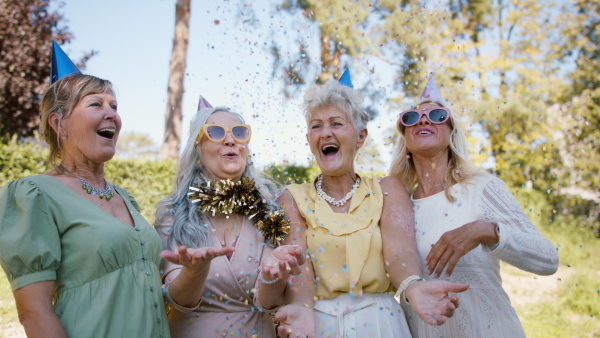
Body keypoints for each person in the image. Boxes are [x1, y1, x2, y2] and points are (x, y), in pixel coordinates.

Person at [270, 70, 470, 338]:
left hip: (382, 323)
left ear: (361, 136)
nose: (326, 132)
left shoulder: (387, 190)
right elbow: (300, 267)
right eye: (316, 126)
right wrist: (301, 308)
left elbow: (400, 252)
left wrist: (413, 286)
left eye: (337, 123)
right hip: (318, 325)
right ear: (309, 141)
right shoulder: (292, 198)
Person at [0, 42, 170, 337]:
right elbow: (33, 312)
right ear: (59, 122)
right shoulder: (35, 194)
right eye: (95, 104)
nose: (112, 115)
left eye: (114, 106)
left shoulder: (125, 197)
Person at [389, 74, 559, 337]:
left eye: (437, 115)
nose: (423, 119)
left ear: (452, 133)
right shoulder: (396, 206)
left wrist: (486, 231)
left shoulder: (481, 188)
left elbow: (548, 259)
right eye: (410, 117)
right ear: (405, 141)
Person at [155, 98, 305, 338]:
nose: (230, 139)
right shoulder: (173, 211)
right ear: (197, 148)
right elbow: (178, 300)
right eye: (214, 132)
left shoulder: (267, 208)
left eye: (239, 132)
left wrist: (271, 276)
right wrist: (195, 271)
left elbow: (268, 302)